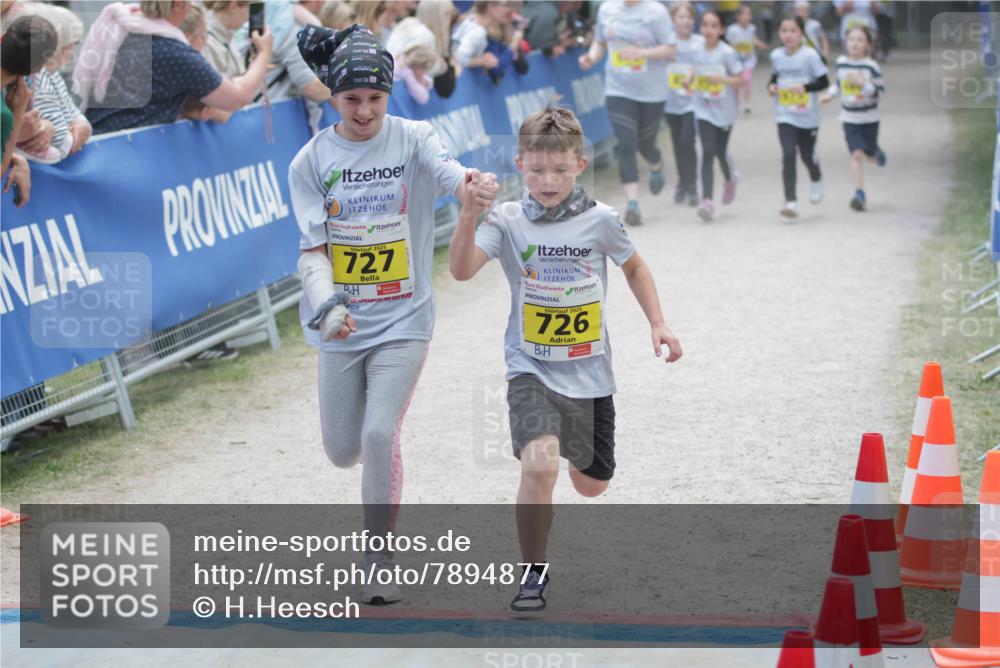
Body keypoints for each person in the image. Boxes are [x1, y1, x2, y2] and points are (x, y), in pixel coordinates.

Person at [288, 23, 499, 605]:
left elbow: (452, 174)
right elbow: (311, 251)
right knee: (343, 449)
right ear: (332, 96)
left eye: (375, 99)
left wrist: (473, 187)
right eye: (351, 99)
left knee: (380, 433)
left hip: (405, 319)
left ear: (388, 96)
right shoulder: (310, 161)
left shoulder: (412, 138)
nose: (363, 111)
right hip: (342, 323)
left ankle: (378, 562)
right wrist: (327, 307)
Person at [448, 104, 683, 618]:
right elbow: (462, 270)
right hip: (530, 368)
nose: (547, 180)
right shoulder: (507, 220)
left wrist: (657, 322)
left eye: (558, 169)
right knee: (539, 464)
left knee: (591, 485)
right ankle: (532, 574)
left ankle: (580, 456)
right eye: (535, 170)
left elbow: (635, 265)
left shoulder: (601, 220)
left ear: (580, 163)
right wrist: (469, 212)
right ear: (519, 165)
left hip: (589, 373)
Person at [75, 1, 274, 135]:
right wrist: (264, 53)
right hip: (129, 154)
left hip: (104, 141)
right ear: (178, 4)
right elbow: (236, 97)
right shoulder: (172, 51)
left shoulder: (124, 28)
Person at [578, 0, 676, 226]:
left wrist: (643, 53)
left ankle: (655, 161)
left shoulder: (656, 11)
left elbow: (671, 49)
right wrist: (591, 57)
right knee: (626, 143)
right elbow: (600, 42)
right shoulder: (607, 9)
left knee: (645, 143)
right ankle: (632, 203)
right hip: (618, 88)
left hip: (652, 91)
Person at [767, 14, 829, 219]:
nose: (788, 35)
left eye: (793, 30)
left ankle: (816, 176)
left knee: (806, 155)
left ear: (801, 33)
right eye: (784, 30)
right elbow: (774, 78)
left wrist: (805, 88)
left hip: (808, 116)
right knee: (788, 153)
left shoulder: (811, 55)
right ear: (779, 33)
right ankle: (790, 201)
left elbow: (824, 82)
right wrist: (772, 87)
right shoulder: (776, 55)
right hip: (785, 114)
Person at [16, 4, 90, 164]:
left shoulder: (52, 75)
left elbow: (76, 116)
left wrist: (82, 127)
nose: (71, 54)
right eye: (66, 47)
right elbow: (61, 145)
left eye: (74, 45)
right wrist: (72, 134)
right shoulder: (36, 77)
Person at [821, 25, 885, 211]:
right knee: (856, 154)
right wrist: (829, 95)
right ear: (845, 43)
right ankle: (859, 193)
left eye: (860, 40)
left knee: (870, 155)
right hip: (850, 118)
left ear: (868, 45)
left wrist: (863, 84)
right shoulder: (841, 62)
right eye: (851, 39)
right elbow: (839, 83)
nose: (855, 44)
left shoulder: (871, 67)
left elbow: (880, 92)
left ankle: (874, 151)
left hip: (870, 117)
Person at [690, 10, 743, 222]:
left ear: (721, 29)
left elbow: (739, 79)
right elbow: (693, 71)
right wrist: (688, 80)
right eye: (705, 25)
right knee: (708, 151)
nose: (709, 30)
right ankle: (707, 201)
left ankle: (731, 178)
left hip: (725, 110)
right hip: (703, 108)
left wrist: (720, 79)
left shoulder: (727, 53)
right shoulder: (696, 49)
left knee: (721, 152)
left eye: (714, 26)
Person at [2, 13, 57, 207]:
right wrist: (17, 114)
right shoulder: (5, 115)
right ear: (38, 68)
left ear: (2, 38)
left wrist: (16, 159)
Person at [663, 1, 702, 207]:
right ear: (673, 20)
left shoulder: (699, 42)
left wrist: (693, 73)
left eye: (689, 17)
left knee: (688, 140)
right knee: (678, 143)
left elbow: (706, 66)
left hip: (693, 102)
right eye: (681, 17)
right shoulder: (667, 42)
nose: (685, 21)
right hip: (671, 102)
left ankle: (692, 185)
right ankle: (682, 182)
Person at [452, 0, 527, 85]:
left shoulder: (472, 20)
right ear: (490, 6)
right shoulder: (478, 30)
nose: (507, 10)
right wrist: (482, 60)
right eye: (504, 5)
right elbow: (458, 57)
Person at [724, 4, 767, 115]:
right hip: (736, 61)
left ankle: (747, 102)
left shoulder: (752, 28)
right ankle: (736, 103)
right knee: (737, 83)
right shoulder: (732, 30)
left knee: (746, 80)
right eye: (745, 14)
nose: (748, 17)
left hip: (749, 60)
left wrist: (760, 44)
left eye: (749, 15)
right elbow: (728, 44)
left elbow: (753, 39)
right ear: (738, 16)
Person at [416, 0, 461, 98]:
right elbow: (445, 88)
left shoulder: (443, 38)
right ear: (436, 16)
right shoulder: (424, 39)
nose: (451, 19)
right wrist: (454, 69)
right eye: (447, 14)